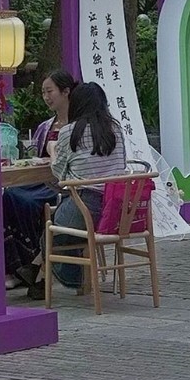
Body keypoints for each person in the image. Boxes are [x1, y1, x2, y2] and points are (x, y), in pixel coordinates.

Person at [28, 81, 127, 297]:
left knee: (52, 232)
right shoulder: (116, 129)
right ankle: (36, 272)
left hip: (84, 209)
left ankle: (44, 273)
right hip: (116, 211)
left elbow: (59, 175)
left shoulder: (69, 132)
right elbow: (122, 165)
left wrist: (52, 150)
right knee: (58, 227)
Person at [4, 70, 77, 287]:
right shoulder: (45, 126)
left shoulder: (76, 126)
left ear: (66, 92)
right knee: (9, 195)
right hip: (41, 179)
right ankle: (16, 265)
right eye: (43, 92)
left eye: (49, 91)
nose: (46, 97)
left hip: (60, 183)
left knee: (23, 200)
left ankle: (33, 260)